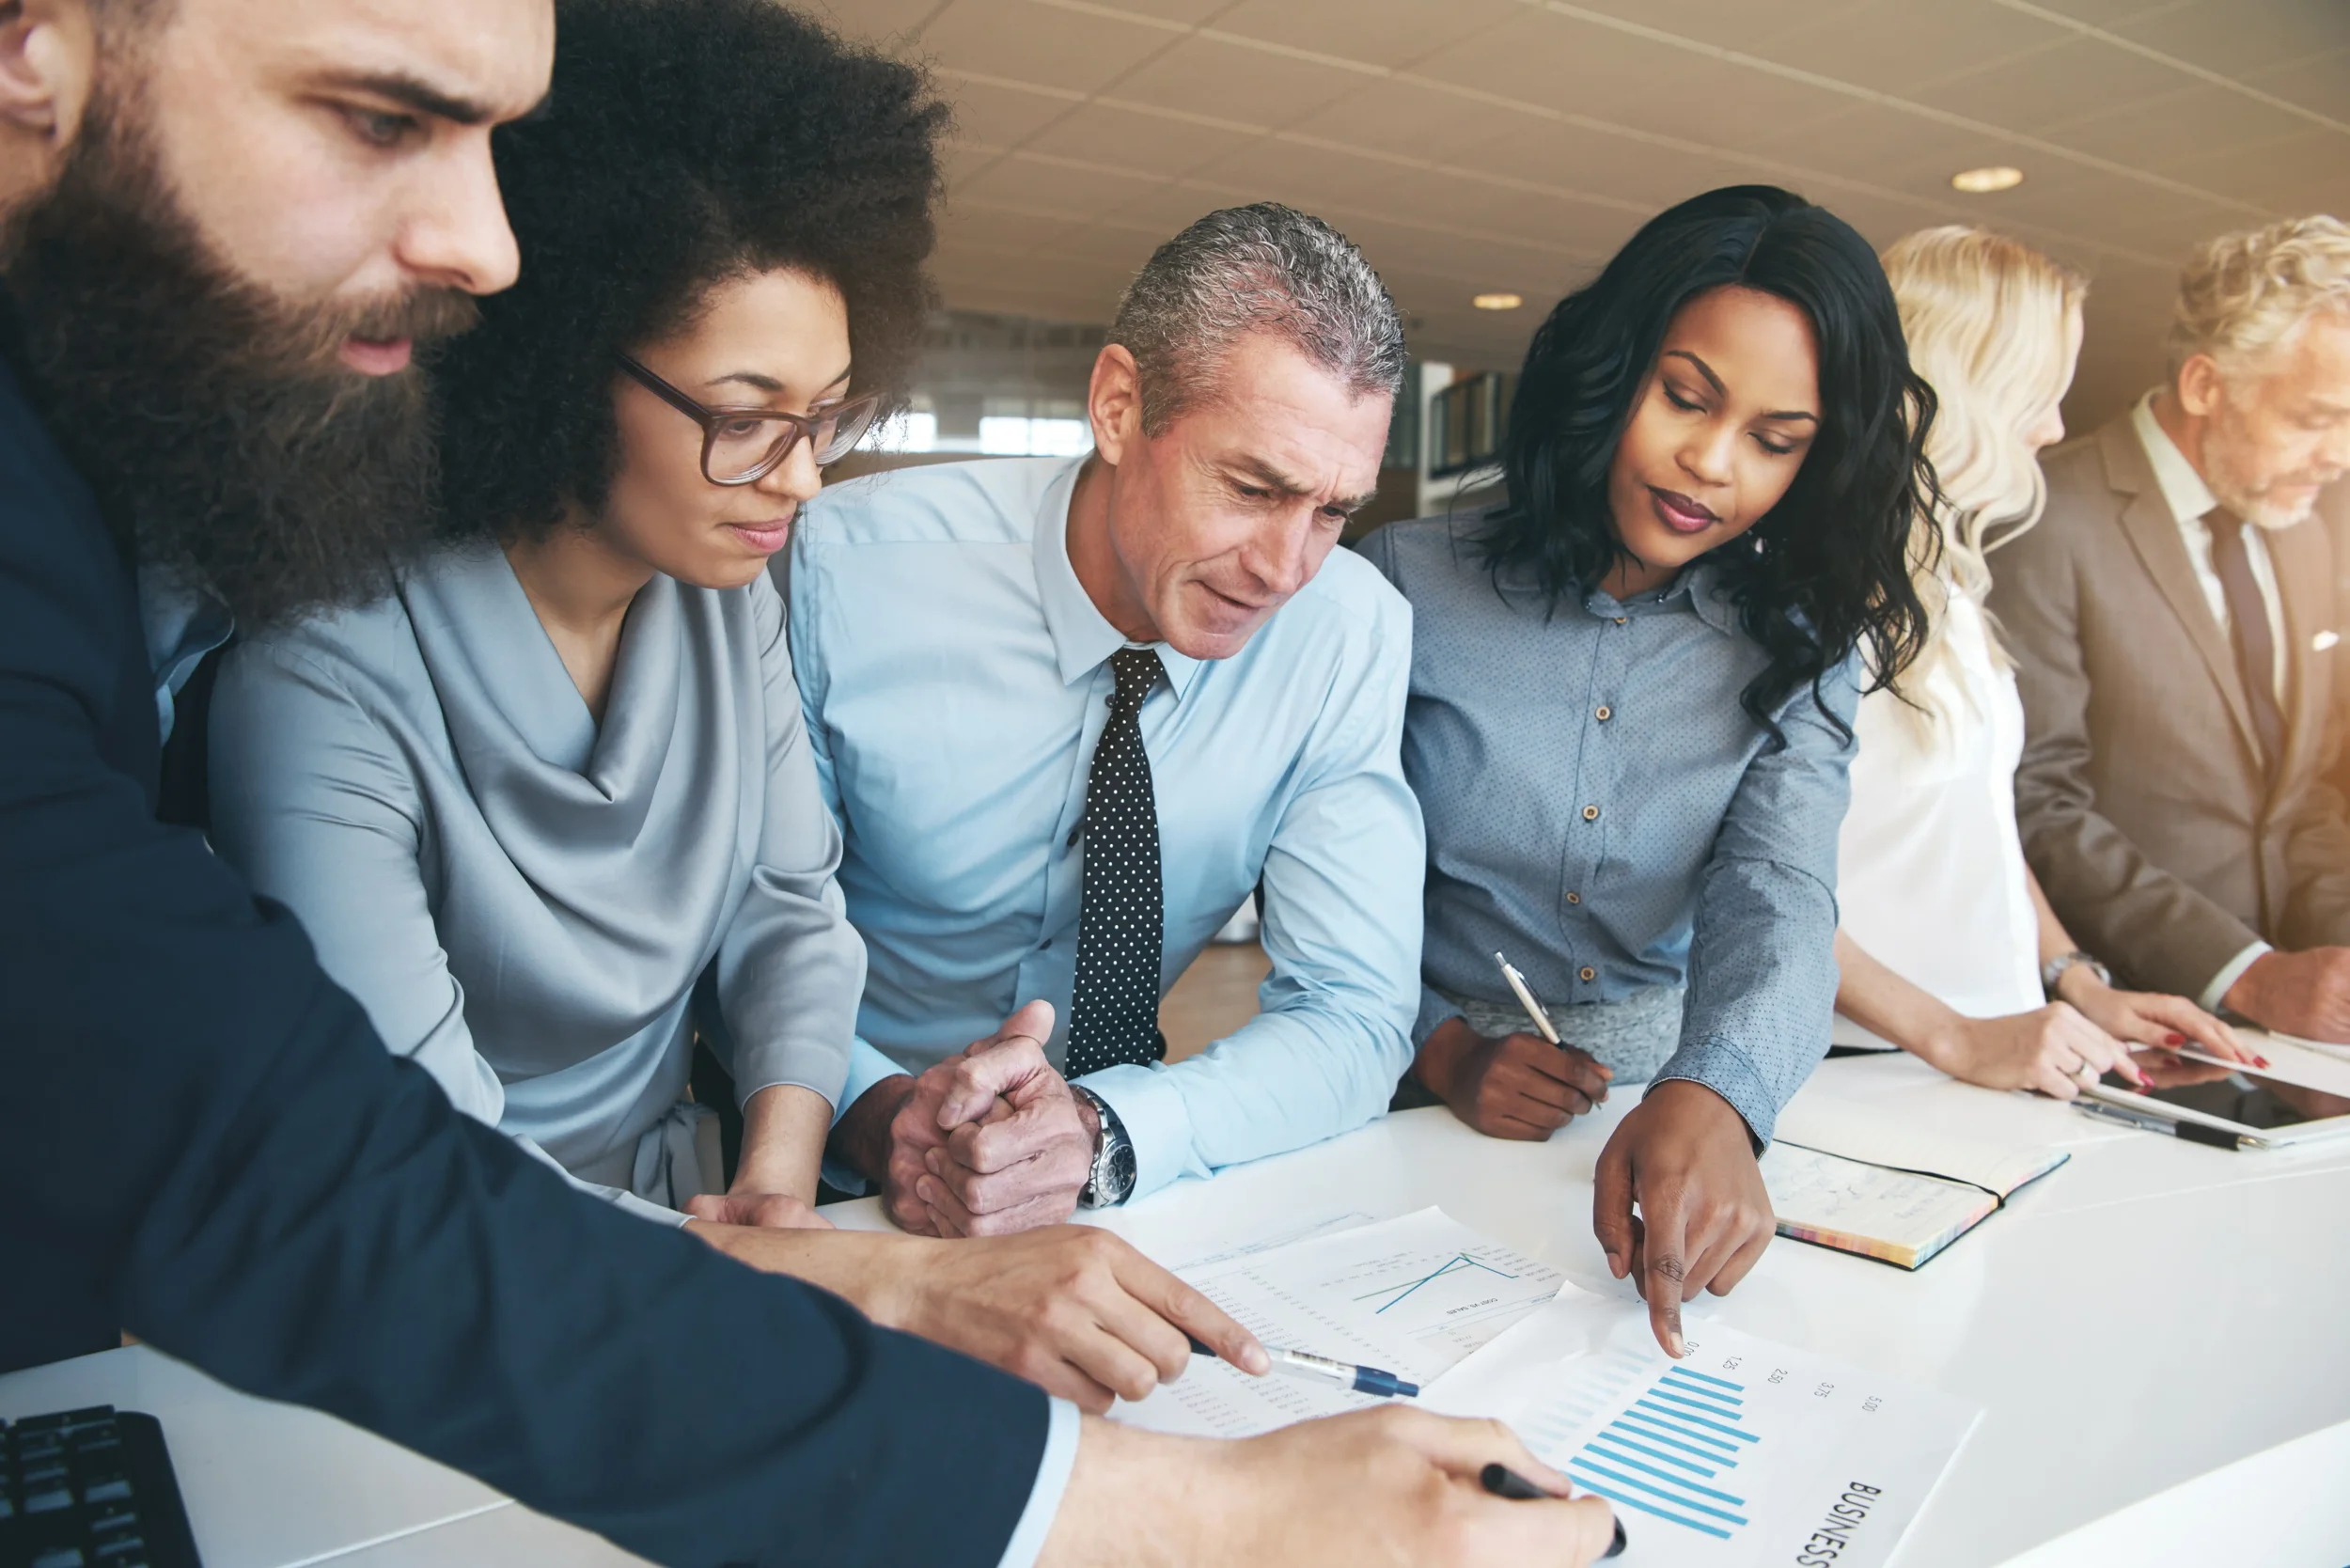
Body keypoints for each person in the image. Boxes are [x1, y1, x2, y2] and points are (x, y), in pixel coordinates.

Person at [0, 0, 1621, 1561]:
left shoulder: (732, 595)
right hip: (530, 1287)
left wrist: (816, 1174)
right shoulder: (350, 627)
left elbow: (788, 907)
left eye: (825, 422)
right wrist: (889, 1252)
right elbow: (343, 1160)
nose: (483, 251)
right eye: (381, 115)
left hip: (731, 1238)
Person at [1359, 185, 1933, 1357]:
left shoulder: (1800, 643)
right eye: (1684, 397)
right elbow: (1322, 874)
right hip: (1403, 1084)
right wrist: (1437, 1043)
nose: (1711, 464)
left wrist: (1720, 1091)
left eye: (1775, 442)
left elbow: (1777, 891)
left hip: (1673, 1103)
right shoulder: (1401, 584)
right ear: (1609, 371)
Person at [789, 202, 1426, 1238]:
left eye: (1331, 510)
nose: (1284, 569)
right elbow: (742, 928)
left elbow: (1352, 1016)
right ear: (1120, 407)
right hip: (840, 1170)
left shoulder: (1345, 635)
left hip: (1120, 1185)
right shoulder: (839, 573)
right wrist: (879, 1115)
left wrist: (1099, 1131)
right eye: (1253, 486)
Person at [1830, 227, 2252, 1093]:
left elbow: (1979, 830)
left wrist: (2077, 981)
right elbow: (1752, 887)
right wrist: (1952, 1038)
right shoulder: (1815, 602)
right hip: (1859, 1072)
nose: (2055, 427)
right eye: (2036, 396)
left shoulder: (1946, 589)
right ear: (1960, 385)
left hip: (2003, 1057)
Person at [1990, 216, 2350, 1043]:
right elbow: (2036, 803)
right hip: (2123, 1030)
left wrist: (2328, 960)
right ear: (2203, 386)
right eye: (2313, 418)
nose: (2337, 456)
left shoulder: (2306, 527)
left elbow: (2305, 801)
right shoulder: (2047, 515)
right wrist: (2250, 974)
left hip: (2299, 1042)